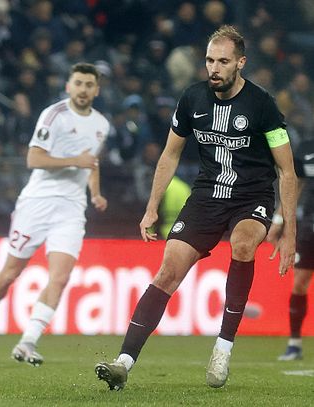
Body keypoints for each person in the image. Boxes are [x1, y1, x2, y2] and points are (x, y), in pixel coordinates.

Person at [95, 25, 297, 391]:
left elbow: (286, 170)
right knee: (167, 272)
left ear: (240, 63)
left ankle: (223, 348)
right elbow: (169, 155)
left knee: (243, 244)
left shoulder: (262, 104)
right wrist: (151, 207)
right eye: (209, 60)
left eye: (223, 61)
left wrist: (288, 234)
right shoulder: (192, 99)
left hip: (251, 196)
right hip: (206, 196)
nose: (214, 68)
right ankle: (123, 363)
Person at [0, 62, 110, 366]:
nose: (83, 89)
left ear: (96, 90)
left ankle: (28, 341)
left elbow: (91, 163)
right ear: (68, 86)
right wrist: (75, 160)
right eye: (78, 83)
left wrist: (95, 193)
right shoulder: (53, 115)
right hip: (37, 204)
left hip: (71, 209)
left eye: (89, 84)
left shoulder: (101, 124)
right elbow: (34, 158)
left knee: (60, 277)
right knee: (10, 274)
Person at [269, 138, 314, 361]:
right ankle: (294, 344)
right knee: (299, 282)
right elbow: (295, 184)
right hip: (310, 224)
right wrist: (278, 219)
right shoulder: (307, 148)